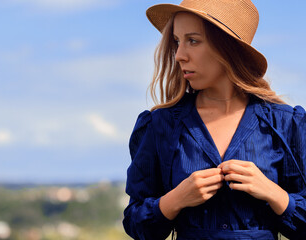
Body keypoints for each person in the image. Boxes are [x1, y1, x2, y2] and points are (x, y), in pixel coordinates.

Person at [122, 0, 306, 239]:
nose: (179, 55)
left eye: (193, 40)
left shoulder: (286, 125)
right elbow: (137, 225)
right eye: (177, 42)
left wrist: (273, 193)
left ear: (227, 47)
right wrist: (175, 199)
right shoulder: (160, 126)